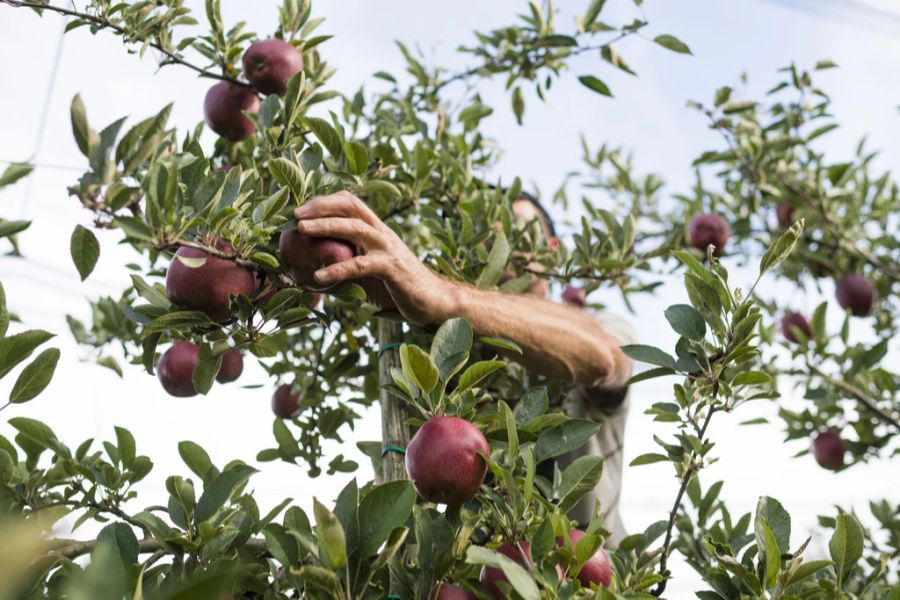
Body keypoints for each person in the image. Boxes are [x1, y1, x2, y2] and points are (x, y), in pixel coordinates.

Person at [292, 190, 635, 545]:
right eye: (492, 236)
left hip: (591, 577)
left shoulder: (602, 324)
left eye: (518, 229)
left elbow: (602, 357)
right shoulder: (458, 353)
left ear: (552, 248)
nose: (506, 244)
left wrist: (444, 294)